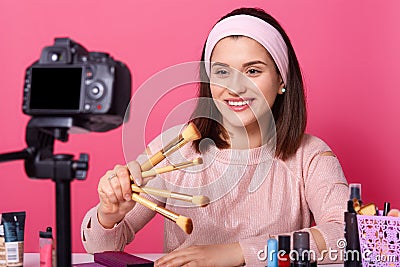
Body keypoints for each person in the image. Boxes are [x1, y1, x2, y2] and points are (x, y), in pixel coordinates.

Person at [81, 7, 352, 266]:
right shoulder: (175, 148)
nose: (235, 87)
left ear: (282, 80)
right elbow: (99, 249)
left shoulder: (310, 155)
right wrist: (109, 214)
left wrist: (238, 253)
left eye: (253, 70)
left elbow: (347, 237)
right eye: (222, 72)